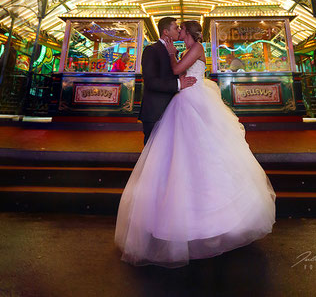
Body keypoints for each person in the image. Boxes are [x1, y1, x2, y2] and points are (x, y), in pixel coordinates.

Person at [115, 20, 276, 268]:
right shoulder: (166, 50)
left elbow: (178, 68)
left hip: (193, 102)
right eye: (175, 28)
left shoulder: (195, 48)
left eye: (181, 29)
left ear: (187, 33)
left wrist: (171, 56)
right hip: (181, 102)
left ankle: (206, 221)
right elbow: (174, 74)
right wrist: (174, 65)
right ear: (167, 30)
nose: (177, 32)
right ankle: (163, 214)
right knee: (174, 160)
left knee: (201, 155)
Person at [138, 16, 197, 145]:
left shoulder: (174, 52)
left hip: (170, 110)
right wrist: (178, 84)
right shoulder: (151, 50)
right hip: (155, 112)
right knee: (152, 151)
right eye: (176, 28)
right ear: (166, 32)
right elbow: (150, 82)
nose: (179, 30)